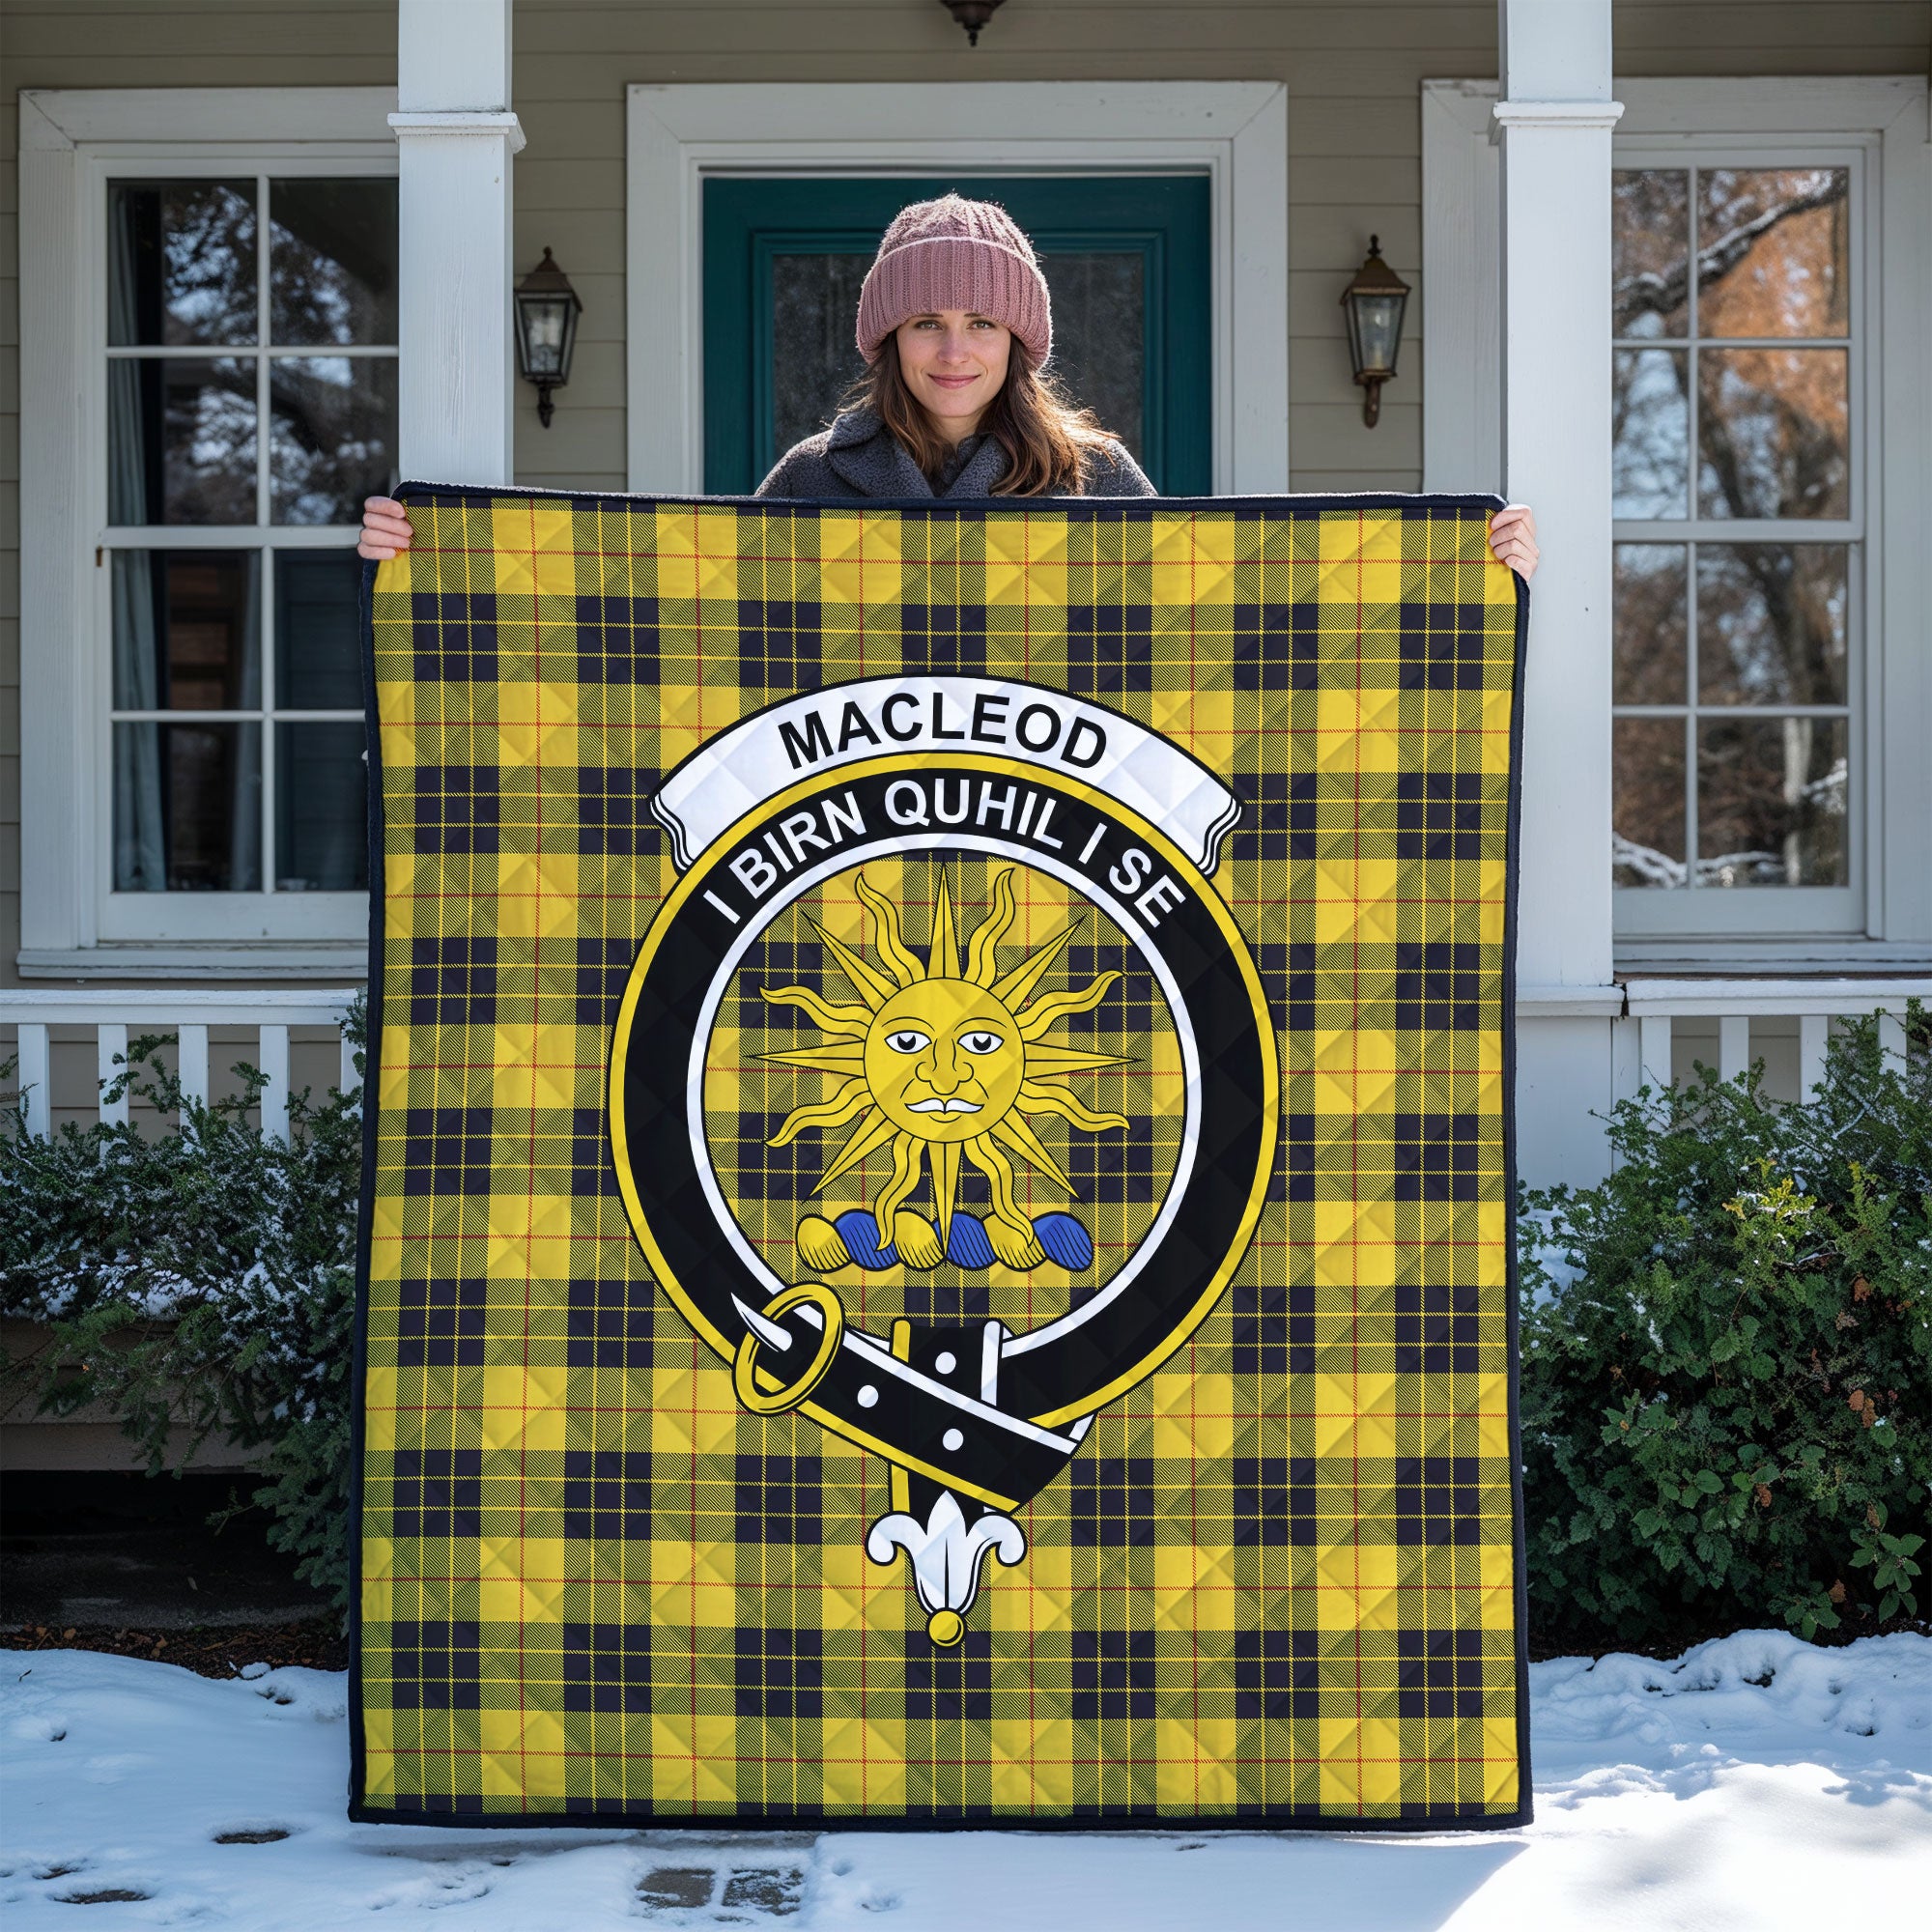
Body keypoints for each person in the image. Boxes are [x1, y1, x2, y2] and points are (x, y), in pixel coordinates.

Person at [359, 191, 1538, 570]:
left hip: (1054, 836)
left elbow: (1213, 624)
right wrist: (439, 552)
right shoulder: (813, 479)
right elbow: (685, 618)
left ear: (1020, 342)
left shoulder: (1093, 477)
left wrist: (1458, 567)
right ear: (886, 340)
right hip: (848, 835)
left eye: (980, 321)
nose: (952, 347)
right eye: (924, 321)